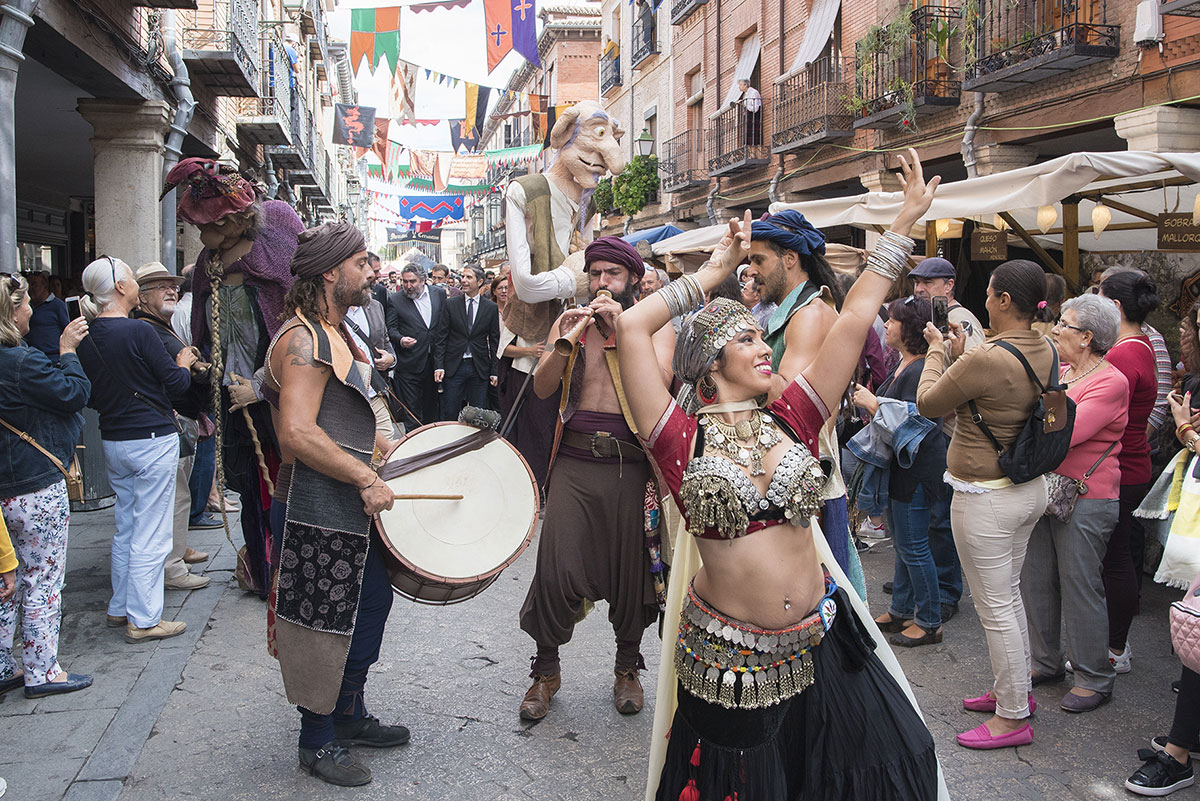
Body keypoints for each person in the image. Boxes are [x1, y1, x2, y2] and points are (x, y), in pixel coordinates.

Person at [619, 150, 940, 800]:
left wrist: (904, 222)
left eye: (759, 337)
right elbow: (630, 327)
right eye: (745, 340)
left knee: (895, 760)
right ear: (709, 364)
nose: (764, 346)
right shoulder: (680, 440)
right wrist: (711, 274)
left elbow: (854, 319)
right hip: (733, 662)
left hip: (821, 638)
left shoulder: (793, 416)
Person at [264, 222, 408, 787]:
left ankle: (347, 711)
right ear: (330, 271)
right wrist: (365, 477)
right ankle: (316, 738)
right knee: (322, 618)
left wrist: (381, 447)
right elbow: (297, 433)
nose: (372, 271)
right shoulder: (303, 340)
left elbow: (340, 414)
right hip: (311, 502)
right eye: (361, 261)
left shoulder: (335, 330)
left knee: (369, 604)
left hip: (339, 498)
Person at [518, 236, 672, 721]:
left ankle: (627, 668)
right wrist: (564, 344)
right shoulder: (571, 322)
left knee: (632, 573)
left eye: (613, 274)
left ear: (632, 279)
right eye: (596, 273)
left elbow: (661, 384)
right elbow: (543, 388)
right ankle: (545, 672)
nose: (602, 282)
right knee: (555, 569)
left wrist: (622, 332)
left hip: (630, 466)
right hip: (574, 461)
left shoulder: (653, 324)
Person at [916, 258, 1054, 749]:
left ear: (1004, 301)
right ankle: (1013, 690)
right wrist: (962, 355)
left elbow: (928, 402)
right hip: (1027, 487)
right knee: (1008, 597)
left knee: (995, 608)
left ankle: (1012, 715)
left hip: (987, 497)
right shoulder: (1045, 346)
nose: (986, 301)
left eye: (991, 294)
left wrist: (937, 350)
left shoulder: (989, 356)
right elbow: (995, 393)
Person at [170, 157, 304, 598]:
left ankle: (293, 575)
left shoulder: (276, 240)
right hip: (231, 395)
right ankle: (265, 572)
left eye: (207, 225)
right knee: (249, 487)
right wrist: (206, 370)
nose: (200, 235)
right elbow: (208, 329)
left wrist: (263, 384)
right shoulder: (208, 260)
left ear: (233, 220)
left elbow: (299, 330)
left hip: (278, 398)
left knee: (287, 485)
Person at [76, 257, 197, 644]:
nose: (132, 283)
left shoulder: (87, 336)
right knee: (151, 532)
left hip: (114, 438)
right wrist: (183, 362)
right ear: (120, 287)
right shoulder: (139, 331)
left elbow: (88, 393)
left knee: (127, 527)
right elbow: (176, 383)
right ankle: (143, 619)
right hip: (150, 437)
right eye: (129, 277)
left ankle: (121, 606)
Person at [750, 208, 864, 595]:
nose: (751, 272)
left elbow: (789, 398)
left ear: (789, 258)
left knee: (816, 605)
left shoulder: (810, 315)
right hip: (793, 474)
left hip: (808, 481)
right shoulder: (794, 313)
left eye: (759, 260)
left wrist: (731, 357)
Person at [1023, 293, 1127, 712]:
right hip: (1048, 489)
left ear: (1087, 337)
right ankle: (1045, 662)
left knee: (1080, 584)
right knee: (1036, 578)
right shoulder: (1063, 372)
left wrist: (1033, 414)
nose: (1055, 329)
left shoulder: (1111, 381)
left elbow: (1066, 432)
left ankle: (1094, 676)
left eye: (1064, 324)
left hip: (1087, 496)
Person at [0, 272, 93, 696]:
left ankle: (4, 665)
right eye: (25, 306)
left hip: (6, 485)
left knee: (6, 578)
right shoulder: (20, 362)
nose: (31, 312)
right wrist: (67, 351)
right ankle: (42, 669)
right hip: (33, 485)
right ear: (10, 313)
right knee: (42, 578)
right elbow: (74, 393)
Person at [851, 296, 951, 647]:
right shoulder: (905, 364)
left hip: (917, 469)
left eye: (892, 320)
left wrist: (874, 404)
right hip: (902, 467)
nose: (886, 325)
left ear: (909, 329)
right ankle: (901, 610)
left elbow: (917, 420)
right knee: (905, 544)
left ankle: (930, 621)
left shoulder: (921, 370)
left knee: (915, 546)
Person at [131, 262, 215, 593]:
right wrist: (191, 366)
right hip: (171, 421)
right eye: (160, 287)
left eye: (173, 286)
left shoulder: (159, 326)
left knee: (178, 495)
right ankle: (172, 566)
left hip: (179, 419)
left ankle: (176, 549)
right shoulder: (148, 330)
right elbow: (173, 378)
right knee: (176, 498)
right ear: (141, 297)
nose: (171, 291)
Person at [1097, 269, 1160, 674]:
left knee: (1115, 559)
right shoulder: (1142, 344)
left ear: (1115, 306)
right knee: (1116, 557)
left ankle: (1115, 647)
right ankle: (1114, 641)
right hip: (1133, 462)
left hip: (1123, 465)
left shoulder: (1123, 353)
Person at [495, 271, 554, 490]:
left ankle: (545, 481)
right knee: (527, 431)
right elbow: (504, 350)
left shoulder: (557, 311)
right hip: (523, 378)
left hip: (551, 380)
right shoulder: (517, 312)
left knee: (545, 431)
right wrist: (529, 350)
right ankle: (527, 480)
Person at [386, 253, 447, 430]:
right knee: (412, 412)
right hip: (409, 365)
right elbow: (390, 328)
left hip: (434, 363)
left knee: (432, 409)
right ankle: (413, 444)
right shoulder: (396, 299)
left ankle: (432, 443)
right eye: (405, 282)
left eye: (412, 281)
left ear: (423, 280)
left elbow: (443, 325)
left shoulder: (439, 294)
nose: (408, 286)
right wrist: (400, 339)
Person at [438, 265, 499, 418]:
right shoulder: (451, 304)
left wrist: (494, 371)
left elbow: (494, 341)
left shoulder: (490, 308)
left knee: (477, 413)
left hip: (479, 366)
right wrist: (439, 366)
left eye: (469, 277)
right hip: (454, 365)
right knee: (450, 410)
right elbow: (441, 338)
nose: (464, 280)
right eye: (463, 277)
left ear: (480, 282)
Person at [23, 271, 69, 362]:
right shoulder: (27, 307)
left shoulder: (58, 306)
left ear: (44, 285)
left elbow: (69, 329)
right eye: (28, 285)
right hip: (32, 358)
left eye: (34, 284)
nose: (30, 288)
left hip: (53, 359)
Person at [736, 78, 762, 146]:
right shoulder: (745, 94)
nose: (739, 87)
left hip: (754, 116)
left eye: (740, 85)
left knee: (753, 133)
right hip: (750, 116)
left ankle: (754, 145)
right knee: (748, 132)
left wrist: (745, 104)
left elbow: (755, 108)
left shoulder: (753, 92)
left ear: (745, 85)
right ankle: (749, 145)